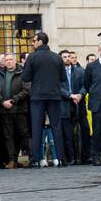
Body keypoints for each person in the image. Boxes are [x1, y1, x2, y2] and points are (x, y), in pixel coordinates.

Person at [21, 32, 67, 167]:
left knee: (36, 128)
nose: (33, 43)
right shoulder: (57, 57)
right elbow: (63, 78)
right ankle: (61, 158)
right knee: (57, 127)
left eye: (34, 41)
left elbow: (25, 77)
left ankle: (35, 159)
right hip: (54, 96)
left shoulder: (32, 57)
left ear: (40, 42)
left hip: (38, 97)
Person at [0, 53, 28, 168]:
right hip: (4, 110)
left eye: (11, 59)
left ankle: (30, 157)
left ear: (15, 61)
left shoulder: (22, 72)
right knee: (8, 136)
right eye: (6, 60)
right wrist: (2, 102)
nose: (9, 62)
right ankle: (11, 160)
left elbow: (26, 90)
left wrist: (13, 101)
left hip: (19, 109)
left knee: (22, 134)